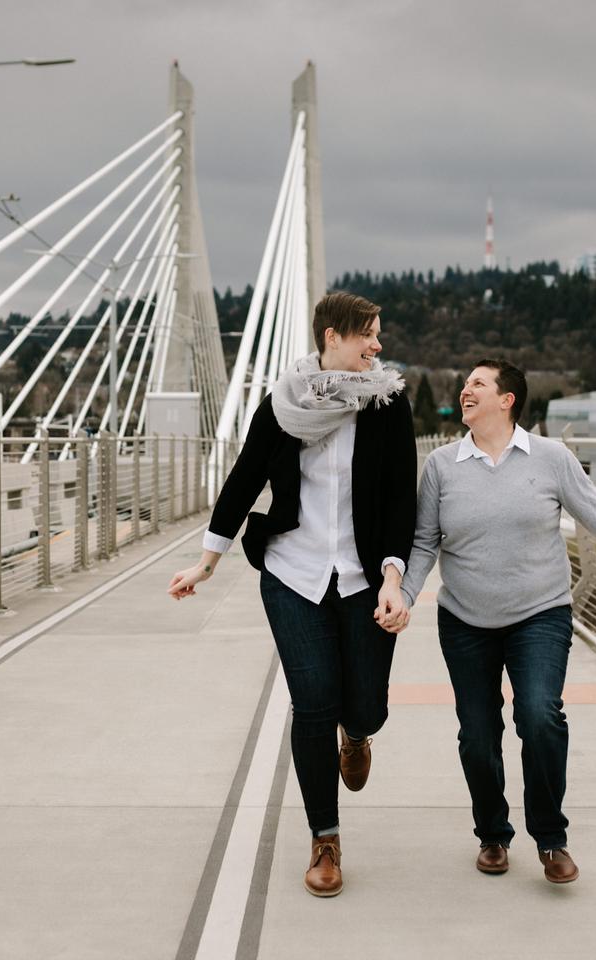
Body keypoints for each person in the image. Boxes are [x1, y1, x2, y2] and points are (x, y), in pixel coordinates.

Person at [167, 292, 416, 898]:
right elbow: (244, 477)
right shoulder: (281, 407)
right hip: (292, 572)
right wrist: (207, 561)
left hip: (361, 578)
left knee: (364, 707)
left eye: (379, 335)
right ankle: (325, 840)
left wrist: (392, 576)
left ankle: (356, 737)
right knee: (313, 702)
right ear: (332, 337)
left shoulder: (387, 404)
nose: (377, 346)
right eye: (367, 336)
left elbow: (400, 498)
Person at [400, 358, 596, 884]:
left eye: (477, 384)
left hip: (540, 614)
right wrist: (406, 596)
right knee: (478, 735)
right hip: (464, 619)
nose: (465, 390)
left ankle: (551, 839)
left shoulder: (551, 458)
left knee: (540, 716)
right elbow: (423, 542)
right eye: (465, 384)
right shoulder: (441, 465)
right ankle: (492, 835)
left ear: (507, 400)